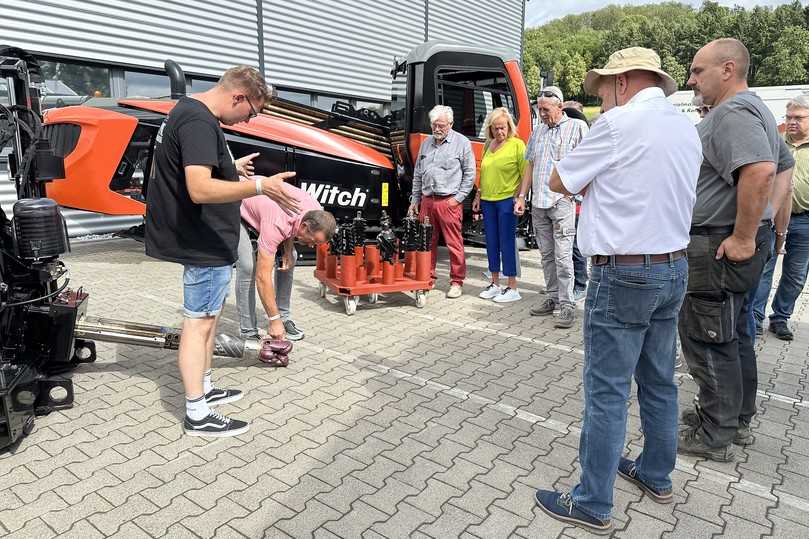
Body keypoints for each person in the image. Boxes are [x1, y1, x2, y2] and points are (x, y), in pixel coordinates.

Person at [533, 47, 701, 535]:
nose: (601, 100)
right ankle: (655, 474)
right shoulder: (685, 129)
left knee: (606, 392)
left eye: (603, 90)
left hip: (623, 273)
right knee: (659, 380)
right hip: (672, 267)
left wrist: (591, 184)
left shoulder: (618, 125)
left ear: (623, 83)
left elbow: (559, 178)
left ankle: (591, 501)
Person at [145, 65, 300, 437]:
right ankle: (197, 413)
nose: (248, 120)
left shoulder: (190, 113)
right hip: (203, 242)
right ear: (237, 96)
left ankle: (207, 388)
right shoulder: (198, 121)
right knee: (197, 325)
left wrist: (231, 168)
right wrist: (259, 187)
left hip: (209, 240)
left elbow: (198, 171)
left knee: (210, 319)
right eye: (251, 112)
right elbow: (199, 189)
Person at [678, 38, 795, 461]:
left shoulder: (734, 111)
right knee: (732, 334)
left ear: (728, 69)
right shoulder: (756, 108)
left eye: (697, 71)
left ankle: (715, 434)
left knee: (708, 336)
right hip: (729, 239)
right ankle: (735, 418)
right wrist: (764, 217)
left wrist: (746, 234)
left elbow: (764, 169)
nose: (691, 79)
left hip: (718, 244)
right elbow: (784, 165)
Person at [519, 85, 589, 328]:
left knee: (563, 256)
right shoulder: (537, 132)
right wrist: (521, 196)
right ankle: (552, 297)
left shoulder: (577, 127)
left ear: (560, 107)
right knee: (547, 256)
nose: (542, 114)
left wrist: (574, 194)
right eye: (539, 109)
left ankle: (567, 304)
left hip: (562, 202)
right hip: (538, 203)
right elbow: (529, 165)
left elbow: (588, 162)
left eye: (546, 109)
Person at [236, 183, 336, 344]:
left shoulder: (314, 209)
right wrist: (272, 320)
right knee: (248, 265)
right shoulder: (276, 222)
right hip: (237, 205)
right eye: (314, 241)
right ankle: (248, 330)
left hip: (269, 209)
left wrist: (288, 250)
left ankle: (284, 317)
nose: (312, 246)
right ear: (305, 227)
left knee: (292, 256)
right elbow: (263, 277)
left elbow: (293, 222)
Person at [752, 95, 808, 340]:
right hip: (771, 217)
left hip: (805, 220)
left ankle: (781, 317)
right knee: (764, 268)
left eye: (799, 118)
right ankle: (754, 318)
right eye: (789, 117)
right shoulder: (774, 142)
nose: (792, 122)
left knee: (796, 274)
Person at [407, 105, 475, 298]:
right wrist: (415, 199)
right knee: (427, 242)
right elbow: (418, 174)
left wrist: (458, 199)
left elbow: (470, 175)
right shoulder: (426, 143)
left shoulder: (462, 143)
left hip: (449, 201)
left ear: (451, 124)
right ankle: (427, 278)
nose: (437, 129)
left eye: (441, 125)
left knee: (454, 244)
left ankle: (456, 282)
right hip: (427, 201)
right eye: (434, 125)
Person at [472, 107, 526, 302]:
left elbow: (525, 174)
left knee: (507, 243)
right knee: (492, 243)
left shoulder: (517, 145)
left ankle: (512, 287)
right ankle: (495, 283)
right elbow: (483, 172)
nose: (499, 132)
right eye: (495, 128)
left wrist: (519, 196)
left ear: (509, 127)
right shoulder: (488, 144)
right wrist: (478, 195)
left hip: (506, 200)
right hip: (488, 200)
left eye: (502, 128)